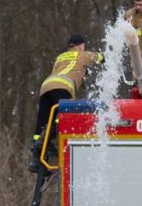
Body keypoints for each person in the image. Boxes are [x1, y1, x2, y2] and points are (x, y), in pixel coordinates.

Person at [30, 34, 103, 172]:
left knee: (43, 121)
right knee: (64, 117)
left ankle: (37, 156)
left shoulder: (60, 57)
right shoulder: (81, 55)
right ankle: (50, 142)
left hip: (46, 87)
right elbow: (99, 58)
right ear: (81, 46)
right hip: (62, 87)